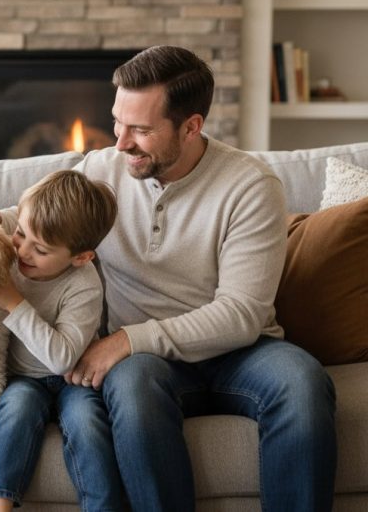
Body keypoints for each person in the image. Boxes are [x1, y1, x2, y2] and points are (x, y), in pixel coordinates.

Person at [63, 45, 337, 511]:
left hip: (239, 353)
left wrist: (127, 339)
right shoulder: (100, 172)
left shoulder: (250, 186)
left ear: (191, 126)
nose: (120, 142)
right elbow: (41, 222)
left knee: (302, 383)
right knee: (131, 386)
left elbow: (241, 315)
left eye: (141, 129)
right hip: (151, 362)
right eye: (117, 121)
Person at [0, 170, 123, 512]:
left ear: (81, 256)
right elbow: (9, 222)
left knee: (88, 425)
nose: (23, 252)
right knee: (13, 414)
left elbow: (61, 358)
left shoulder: (84, 284)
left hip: (72, 379)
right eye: (19, 234)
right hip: (22, 379)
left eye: (40, 249)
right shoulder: (12, 249)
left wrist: (13, 301)